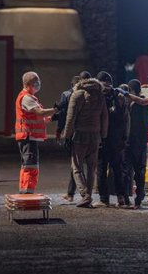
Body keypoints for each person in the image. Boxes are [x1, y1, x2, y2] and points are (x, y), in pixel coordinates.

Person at [61, 75, 108, 208]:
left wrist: (67, 136)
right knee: (92, 167)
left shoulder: (78, 94)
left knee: (76, 166)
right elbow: (105, 117)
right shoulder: (100, 95)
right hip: (95, 135)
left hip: (80, 135)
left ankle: (85, 195)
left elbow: (70, 118)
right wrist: (103, 135)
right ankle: (89, 195)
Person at [15, 71, 56, 194]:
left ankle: (25, 191)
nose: (38, 84)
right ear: (28, 84)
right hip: (28, 136)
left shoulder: (29, 97)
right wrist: (56, 109)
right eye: (36, 81)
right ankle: (27, 194)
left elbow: (38, 117)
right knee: (30, 166)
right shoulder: (27, 98)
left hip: (27, 137)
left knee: (27, 166)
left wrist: (51, 118)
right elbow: (41, 112)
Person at [95, 71, 130, 207]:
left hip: (102, 139)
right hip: (117, 139)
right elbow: (126, 120)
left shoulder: (97, 97)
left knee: (102, 169)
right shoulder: (119, 96)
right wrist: (124, 138)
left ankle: (104, 199)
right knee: (117, 169)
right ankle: (120, 198)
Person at [122, 79, 148, 208]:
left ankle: (125, 198)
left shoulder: (129, 105)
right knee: (139, 172)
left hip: (128, 142)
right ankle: (139, 199)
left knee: (126, 171)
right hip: (142, 142)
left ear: (130, 91)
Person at [57, 74, 82, 202]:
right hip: (86, 133)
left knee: (75, 164)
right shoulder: (88, 95)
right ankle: (72, 192)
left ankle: (72, 193)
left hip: (72, 133)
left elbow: (63, 115)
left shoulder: (67, 95)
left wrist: (59, 131)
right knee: (82, 164)